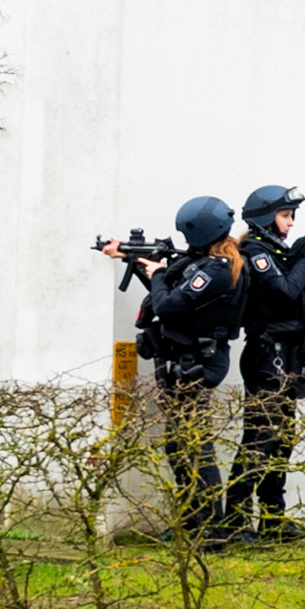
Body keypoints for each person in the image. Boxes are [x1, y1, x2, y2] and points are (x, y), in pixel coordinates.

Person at [104, 197, 248, 547]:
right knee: (179, 445)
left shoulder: (217, 269)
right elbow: (174, 280)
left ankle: (209, 528)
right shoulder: (207, 263)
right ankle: (192, 521)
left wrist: (157, 275)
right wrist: (128, 254)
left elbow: (168, 302)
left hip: (199, 362)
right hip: (189, 360)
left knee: (195, 446)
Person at [226, 186, 305, 540]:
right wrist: (303, 262)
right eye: (285, 216)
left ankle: (273, 520)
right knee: (260, 437)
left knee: (282, 439)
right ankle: (236, 520)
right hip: (265, 355)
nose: (290, 223)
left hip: (288, 355)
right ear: (265, 217)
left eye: (292, 217)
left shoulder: (277, 252)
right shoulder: (256, 251)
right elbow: (283, 291)